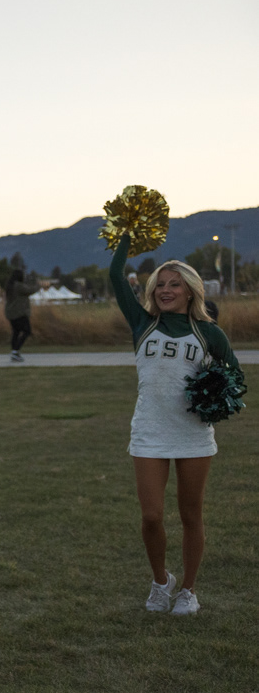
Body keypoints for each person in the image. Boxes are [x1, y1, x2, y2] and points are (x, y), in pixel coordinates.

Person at [108, 237, 238, 617]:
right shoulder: (143, 323)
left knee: (190, 515)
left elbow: (234, 376)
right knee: (151, 516)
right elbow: (116, 275)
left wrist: (212, 393)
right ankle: (161, 580)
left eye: (174, 284)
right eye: (159, 284)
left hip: (192, 433)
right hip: (149, 431)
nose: (165, 290)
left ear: (190, 291)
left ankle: (188, 590)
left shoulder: (208, 333)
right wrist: (127, 235)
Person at [4, 269, 37, 362]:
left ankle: (14, 352)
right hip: (19, 313)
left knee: (16, 332)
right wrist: (37, 284)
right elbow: (30, 290)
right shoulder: (18, 286)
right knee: (27, 331)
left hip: (10, 313)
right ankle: (15, 351)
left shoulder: (10, 286)